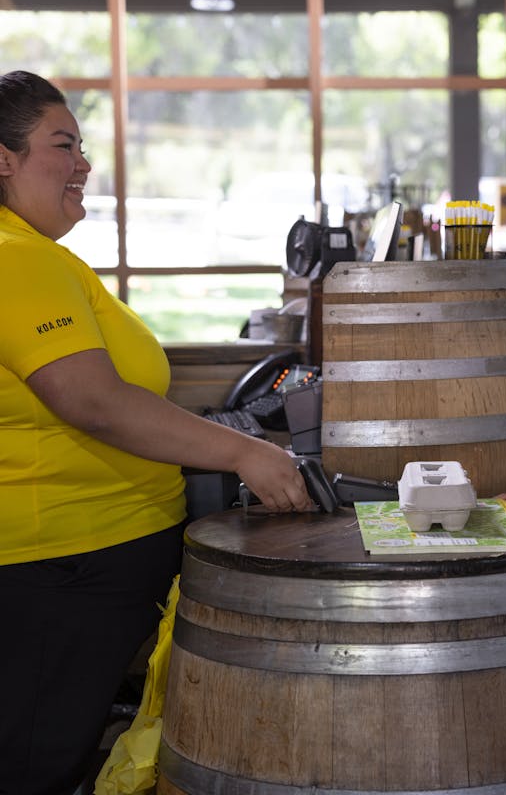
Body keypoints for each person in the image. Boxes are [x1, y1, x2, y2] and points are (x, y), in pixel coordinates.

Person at [0, 70, 314, 795]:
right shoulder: (17, 257)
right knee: (33, 765)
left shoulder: (40, 254)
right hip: (59, 567)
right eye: (63, 145)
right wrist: (244, 451)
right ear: (3, 160)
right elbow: (94, 402)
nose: (83, 164)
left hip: (84, 563)